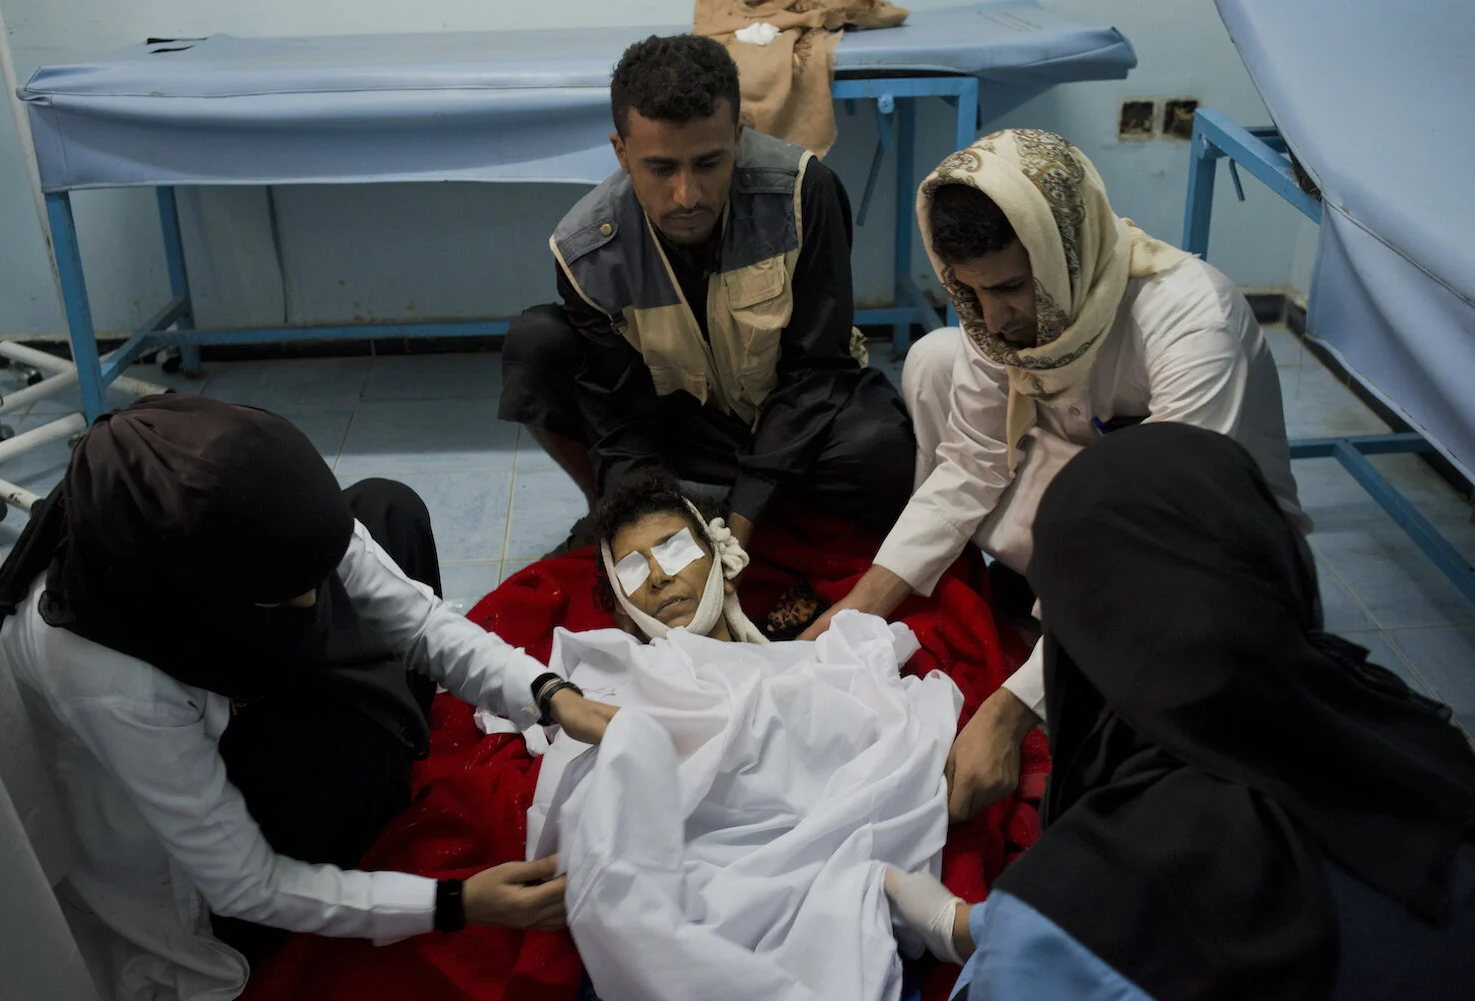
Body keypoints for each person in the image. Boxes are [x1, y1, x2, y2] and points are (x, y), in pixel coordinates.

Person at [0, 396, 618, 1001]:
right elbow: (245, 883)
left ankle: (375, 758)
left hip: (235, 674)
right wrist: (455, 902)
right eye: (284, 595)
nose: (317, 606)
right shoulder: (114, 683)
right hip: (210, 879)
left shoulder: (215, 499)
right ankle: (371, 789)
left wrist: (548, 693)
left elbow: (417, 620)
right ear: (201, 595)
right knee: (364, 738)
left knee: (386, 508)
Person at [801, 129, 1310, 821]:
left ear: (1063, 252)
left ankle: (1064, 641)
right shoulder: (998, 319)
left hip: (1212, 547)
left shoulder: (1192, 319)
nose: (997, 318)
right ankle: (1021, 606)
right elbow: (969, 466)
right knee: (937, 360)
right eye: (974, 292)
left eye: (1012, 287)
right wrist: (857, 607)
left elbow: (1166, 542)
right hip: (1092, 491)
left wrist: (1010, 713)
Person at [884, 423, 1475, 1001]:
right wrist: (968, 930)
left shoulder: (1104, 896)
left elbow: (1072, 951)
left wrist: (1008, 940)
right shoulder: (1410, 739)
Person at [499, 33, 916, 556]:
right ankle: (615, 510)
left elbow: (816, 372)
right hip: (683, 427)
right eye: (661, 168)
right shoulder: (586, 250)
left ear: (738, 137)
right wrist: (640, 525)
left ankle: (756, 512)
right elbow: (620, 420)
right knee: (535, 342)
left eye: (708, 163)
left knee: (885, 451)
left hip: (792, 412)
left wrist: (742, 519)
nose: (686, 196)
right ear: (622, 153)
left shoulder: (805, 194)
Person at [591, 471, 768, 644]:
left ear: (720, 562)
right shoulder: (582, 670)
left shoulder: (793, 668)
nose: (658, 577)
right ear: (621, 604)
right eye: (633, 568)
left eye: (676, 551)